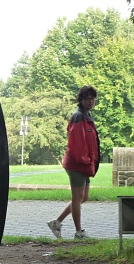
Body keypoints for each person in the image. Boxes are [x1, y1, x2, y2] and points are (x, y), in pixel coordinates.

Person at [47, 86, 100, 239]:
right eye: (88, 99)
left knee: (84, 197)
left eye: (92, 99)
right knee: (77, 197)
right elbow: (76, 144)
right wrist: (85, 161)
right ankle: (79, 232)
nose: (91, 102)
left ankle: (56, 223)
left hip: (85, 164)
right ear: (81, 100)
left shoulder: (87, 116)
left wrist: (90, 162)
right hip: (77, 164)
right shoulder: (78, 117)